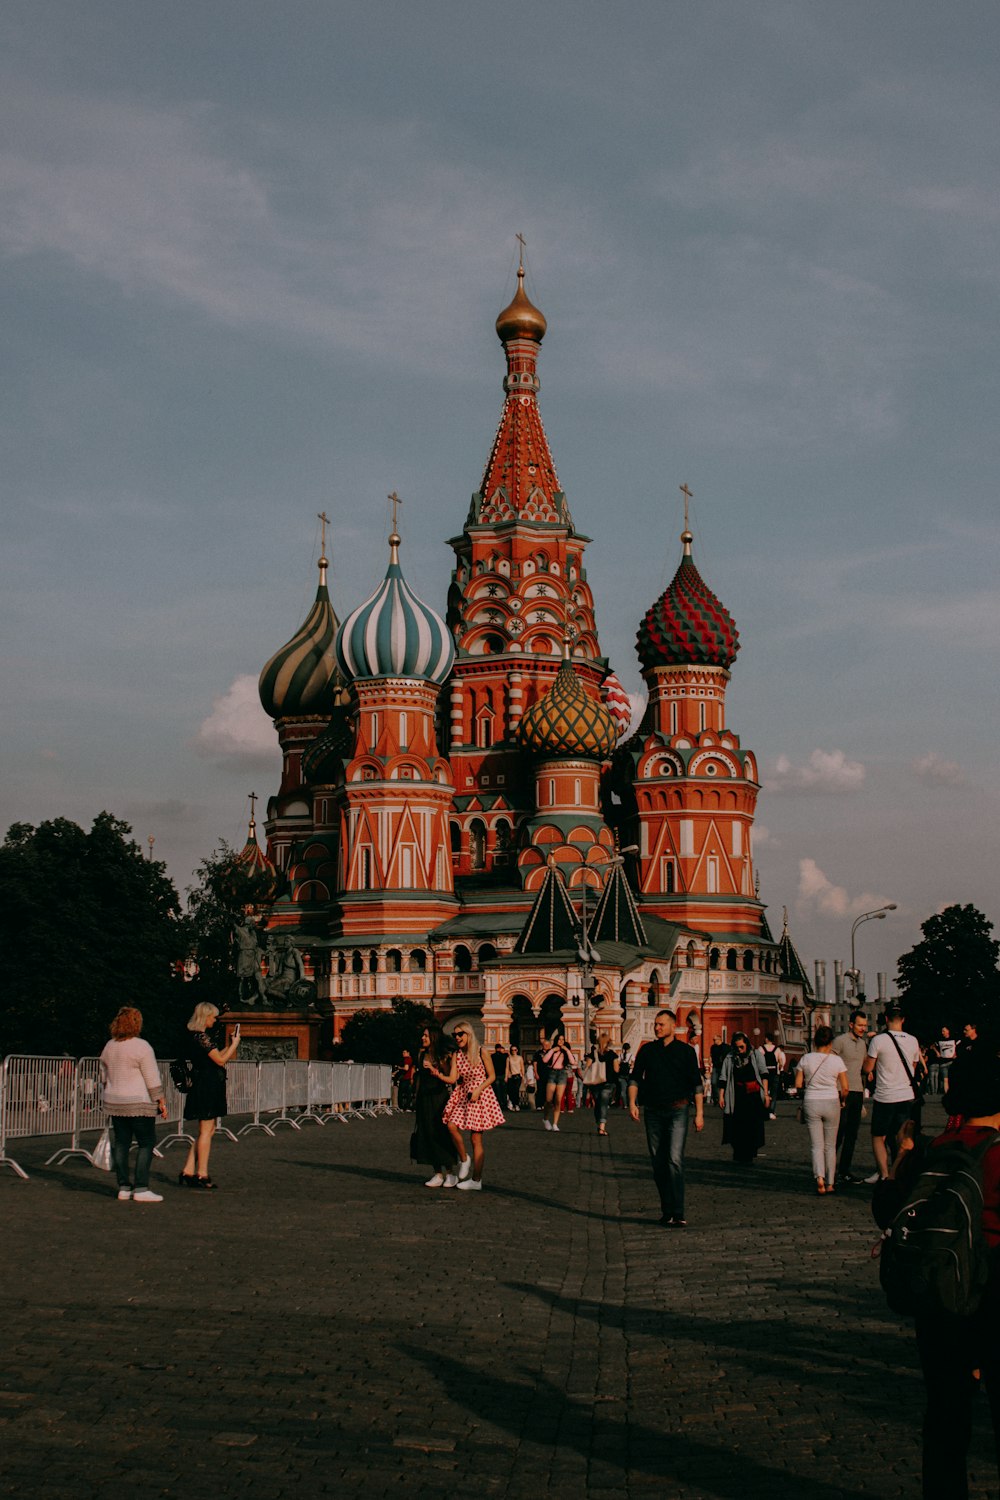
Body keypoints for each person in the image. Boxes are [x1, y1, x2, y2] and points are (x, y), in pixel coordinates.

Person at [905, 1042, 1000, 1498]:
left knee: (945, 1414)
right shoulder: (999, 1152)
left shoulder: (937, 1148)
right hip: (995, 1286)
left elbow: (892, 1210)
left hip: (942, 1292)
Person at [628, 1009, 704, 1226]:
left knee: (674, 1159)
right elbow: (635, 1078)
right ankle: (667, 1210)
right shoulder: (647, 1050)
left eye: (661, 1024)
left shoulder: (686, 1052)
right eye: (656, 1024)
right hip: (652, 1111)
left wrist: (699, 1114)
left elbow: (696, 1085)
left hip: (678, 1110)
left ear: (673, 1026)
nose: (657, 1027)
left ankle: (678, 1212)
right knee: (658, 1163)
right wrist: (632, 1102)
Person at [99, 1006, 169, 1203]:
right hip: (138, 1102)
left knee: (121, 1142)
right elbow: (151, 1076)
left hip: (115, 1101)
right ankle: (141, 1187)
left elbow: (103, 1075)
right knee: (146, 1143)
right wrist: (161, 1100)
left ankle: (123, 1186)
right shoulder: (142, 1046)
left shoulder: (109, 1046)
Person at [179, 1001, 240, 1190]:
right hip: (206, 1085)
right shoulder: (201, 1037)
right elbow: (221, 1060)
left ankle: (188, 1170)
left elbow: (215, 1057)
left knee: (208, 1130)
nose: (215, 1020)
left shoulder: (198, 1037)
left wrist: (230, 1046)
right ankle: (202, 1173)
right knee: (206, 1131)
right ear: (205, 1017)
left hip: (205, 1083)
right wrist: (235, 1044)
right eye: (213, 1017)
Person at [441, 1022, 504, 1190]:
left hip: (479, 1094)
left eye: (460, 1034)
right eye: (455, 1035)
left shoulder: (481, 1051)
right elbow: (453, 1078)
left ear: (469, 1034)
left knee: (476, 1138)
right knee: (451, 1126)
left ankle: (476, 1180)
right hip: (463, 1093)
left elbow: (491, 1076)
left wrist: (478, 1090)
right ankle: (464, 1159)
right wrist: (437, 1073)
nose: (457, 1038)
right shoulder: (457, 1054)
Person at [863, 1003, 922, 1181]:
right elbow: (913, 1067)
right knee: (902, 1136)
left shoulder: (878, 1040)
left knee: (878, 1136)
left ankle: (885, 1174)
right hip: (906, 1095)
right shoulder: (913, 1040)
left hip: (885, 1096)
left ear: (886, 1019)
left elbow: (868, 1068)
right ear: (903, 1020)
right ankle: (900, 1172)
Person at [795, 1025, 849, 1194]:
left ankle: (819, 1177)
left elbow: (797, 1084)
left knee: (816, 1145)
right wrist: (843, 1100)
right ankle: (831, 1183)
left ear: (815, 1042)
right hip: (831, 1100)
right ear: (831, 1042)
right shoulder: (837, 1060)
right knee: (830, 1146)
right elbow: (845, 1087)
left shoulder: (806, 1059)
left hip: (812, 1101)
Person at [410, 1024, 459, 1188]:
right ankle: (437, 1173)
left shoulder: (442, 1055)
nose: (423, 1038)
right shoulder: (421, 1054)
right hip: (424, 1097)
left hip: (439, 1098)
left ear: (434, 1037)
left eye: (426, 1035)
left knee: (441, 1133)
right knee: (427, 1133)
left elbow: (449, 1075)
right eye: (422, 1035)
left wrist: (434, 1069)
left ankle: (451, 1173)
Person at [718, 1033, 770, 1165]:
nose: (740, 1050)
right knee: (737, 1125)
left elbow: (764, 1073)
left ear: (746, 1044)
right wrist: (721, 1095)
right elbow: (723, 1078)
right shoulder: (730, 1057)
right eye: (737, 1048)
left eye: (741, 1047)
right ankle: (739, 1153)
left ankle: (749, 1154)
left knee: (752, 1126)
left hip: (753, 1096)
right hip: (737, 1096)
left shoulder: (756, 1054)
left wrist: (766, 1094)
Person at [833, 1009, 870, 1184]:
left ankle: (844, 1170)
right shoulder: (839, 1042)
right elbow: (830, 1063)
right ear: (851, 1024)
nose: (863, 1028)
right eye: (860, 1025)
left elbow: (863, 1067)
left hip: (857, 1091)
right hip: (841, 1091)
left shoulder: (863, 1044)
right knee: (838, 1132)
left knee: (852, 1134)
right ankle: (829, 1168)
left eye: (865, 1025)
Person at [541, 1030, 577, 1132]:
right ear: (556, 1040)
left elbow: (573, 1061)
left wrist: (567, 1050)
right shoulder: (552, 1050)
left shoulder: (565, 1052)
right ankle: (545, 1119)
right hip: (552, 1074)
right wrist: (553, 1050)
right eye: (559, 1039)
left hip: (562, 1074)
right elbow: (545, 1060)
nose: (561, 1041)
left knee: (558, 1099)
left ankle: (555, 1123)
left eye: (563, 1040)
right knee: (548, 1100)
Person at [585, 1033, 618, 1137]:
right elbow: (616, 1069)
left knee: (598, 1104)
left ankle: (599, 1123)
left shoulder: (593, 1054)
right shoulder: (613, 1054)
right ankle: (602, 1126)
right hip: (608, 1082)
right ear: (608, 1042)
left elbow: (587, 1067)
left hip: (595, 1083)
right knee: (603, 1103)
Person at [758, 1033, 785, 1119]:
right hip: (774, 1073)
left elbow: (758, 1061)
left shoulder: (761, 1048)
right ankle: (771, 1111)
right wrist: (780, 1069)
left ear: (766, 1039)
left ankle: (763, 1110)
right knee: (774, 1093)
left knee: (763, 1092)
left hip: (764, 1074)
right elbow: (780, 1061)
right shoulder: (777, 1049)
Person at [709, 1033, 729, 1102]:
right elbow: (711, 1056)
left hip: (723, 1067)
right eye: (713, 1040)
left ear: (720, 1039)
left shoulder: (725, 1047)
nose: (714, 1041)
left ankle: (723, 1097)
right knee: (713, 1082)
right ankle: (716, 1097)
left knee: (723, 1082)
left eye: (715, 1040)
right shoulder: (713, 1047)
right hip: (715, 1067)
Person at [505, 1045, 525, 1111]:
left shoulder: (520, 1058)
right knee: (511, 1090)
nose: (514, 1051)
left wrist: (523, 1076)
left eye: (515, 1050)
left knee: (516, 1090)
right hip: (511, 1076)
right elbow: (507, 1068)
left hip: (518, 1075)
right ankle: (512, 1103)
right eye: (512, 1050)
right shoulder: (509, 1058)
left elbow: (522, 1067)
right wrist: (506, 1076)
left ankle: (516, 1104)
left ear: (517, 1050)